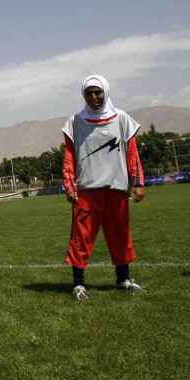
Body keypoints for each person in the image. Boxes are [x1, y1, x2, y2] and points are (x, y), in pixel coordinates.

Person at [62, 74, 146, 301]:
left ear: (106, 92)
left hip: (116, 189)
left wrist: (137, 182)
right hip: (86, 192)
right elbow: (69, 157)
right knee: (81, 238)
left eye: (97, 92)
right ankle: (78, 284)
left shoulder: (122, 119)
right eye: (88, 93)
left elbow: (133, 154)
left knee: (120, 235)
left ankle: (123, 279)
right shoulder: (75, 123)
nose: (93, 97)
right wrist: (69, 184)